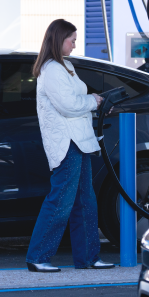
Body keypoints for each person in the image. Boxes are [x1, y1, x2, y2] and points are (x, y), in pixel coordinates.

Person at [26, 19, 115, 273]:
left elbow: (75, 103)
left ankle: (88, 257)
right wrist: (95, 101)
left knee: (85, 200)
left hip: (79, 141)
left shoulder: (66, 66)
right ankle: (38, 256)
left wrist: (93, 103)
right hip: (66, 143)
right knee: (61, 201)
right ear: (58, 39)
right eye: (72, 40)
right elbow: (69, 105)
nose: (75, 44)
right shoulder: (52, 69)